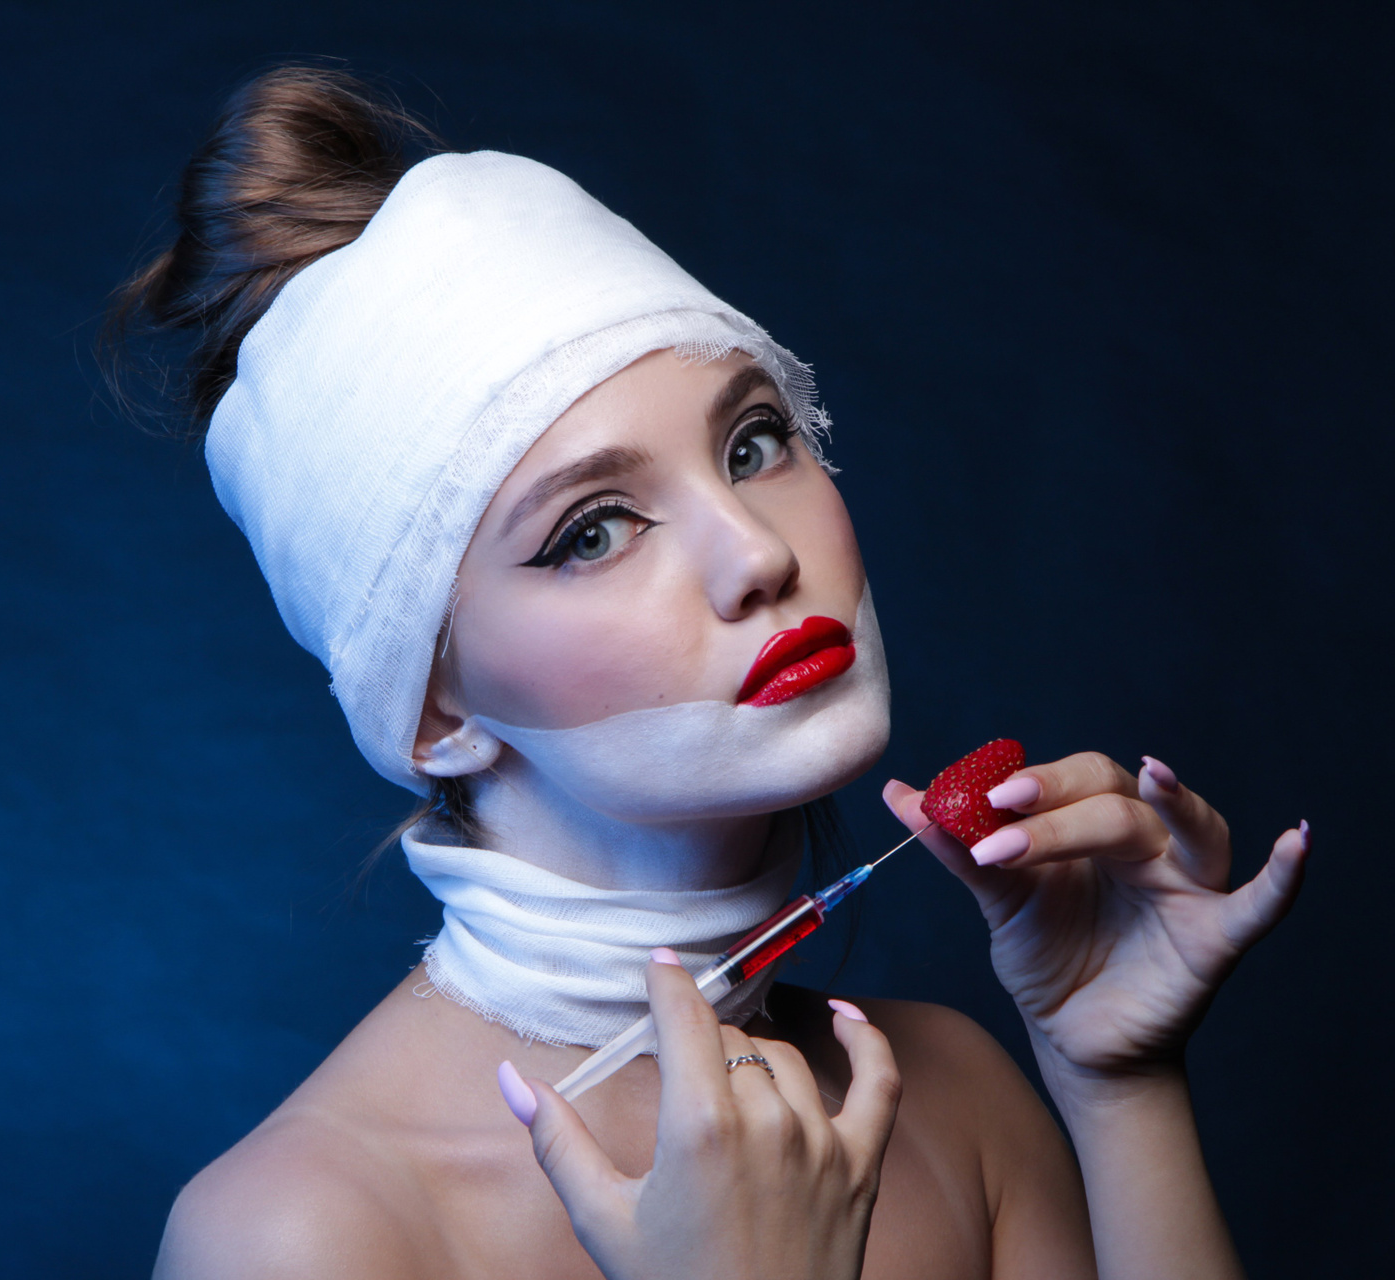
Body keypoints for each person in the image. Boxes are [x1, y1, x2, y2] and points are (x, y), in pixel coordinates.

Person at [108, 65, 1310, 1280]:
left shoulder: (959, 1103)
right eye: (593, 530)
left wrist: (1122, 1086)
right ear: (432, 709)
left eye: (754, 442)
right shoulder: (299, 1236)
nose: (758, 553)